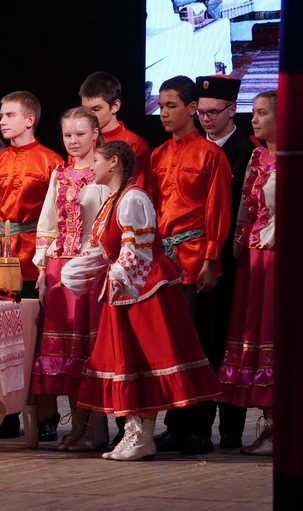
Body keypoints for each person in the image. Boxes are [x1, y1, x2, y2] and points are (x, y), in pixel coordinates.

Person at [62, 141, 222, 461]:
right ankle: (134, 432)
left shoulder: (134, 198)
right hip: (126, 291)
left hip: (146, 291)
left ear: (114, 163)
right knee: (129, 362)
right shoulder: (113, 200)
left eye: (97, 160)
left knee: (146, 361)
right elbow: (106, 249)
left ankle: (143, 435)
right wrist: (78, 272)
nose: (91, 167)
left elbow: (139, 248)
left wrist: (119, 278)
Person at [142, 76, 232, 455]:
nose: (163, 113)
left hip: (196, 262)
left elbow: (218, 211)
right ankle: (175, 424)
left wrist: (211, 259)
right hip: (164, 264)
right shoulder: (158, 155)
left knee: (199, 346)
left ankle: (199, 428)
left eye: (171, 106)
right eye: (160, 106)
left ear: (192, 109)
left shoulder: (211, 155)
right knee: (170, 347)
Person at [0, 90, 65, 438]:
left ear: (29, 120)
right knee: (2, 339)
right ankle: (5, 414)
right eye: (1, 115)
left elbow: (58, 216)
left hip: (35, 257)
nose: (2, 121)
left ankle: (45, 416)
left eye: (10, 115)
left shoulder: (51, 161)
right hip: (2, 258)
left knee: (38, 339)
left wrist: (49, 260)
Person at [33, 107, 109, 450]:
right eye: (68, 135)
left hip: (90, 268)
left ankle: (97, 427)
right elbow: (48, 223)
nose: (74, 141)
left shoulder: (104, 171)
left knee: (91, 350)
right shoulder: (60, 174)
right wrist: (42, 269)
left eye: (80, 134)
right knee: (66, 353)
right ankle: (77, 426)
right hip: (59, 267)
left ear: (95, 134)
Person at [196, 74, 257, 449]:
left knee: (229, 342)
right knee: (198, 343)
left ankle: (232, 429)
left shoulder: (248, 152)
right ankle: (194, 426)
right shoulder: (190, 148)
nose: (206, 119)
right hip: (192, 260)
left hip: (232, 262)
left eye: (213, 112)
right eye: (201, 112)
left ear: (233, 110)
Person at [216, 90, 277, 456]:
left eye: (262, 113)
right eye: (253, 112)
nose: (254, 119)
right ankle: (271, 424)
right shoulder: (257, 156)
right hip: (257, 258)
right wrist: (241, 241)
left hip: (282, 259)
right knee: (258, 334)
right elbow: (246, 206)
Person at [79, 71, 152, 182]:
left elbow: (140, 188)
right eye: (85, 110)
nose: (89, 115)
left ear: (115, 106)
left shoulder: (135, 145)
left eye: (96, 109)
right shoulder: (80, 141)